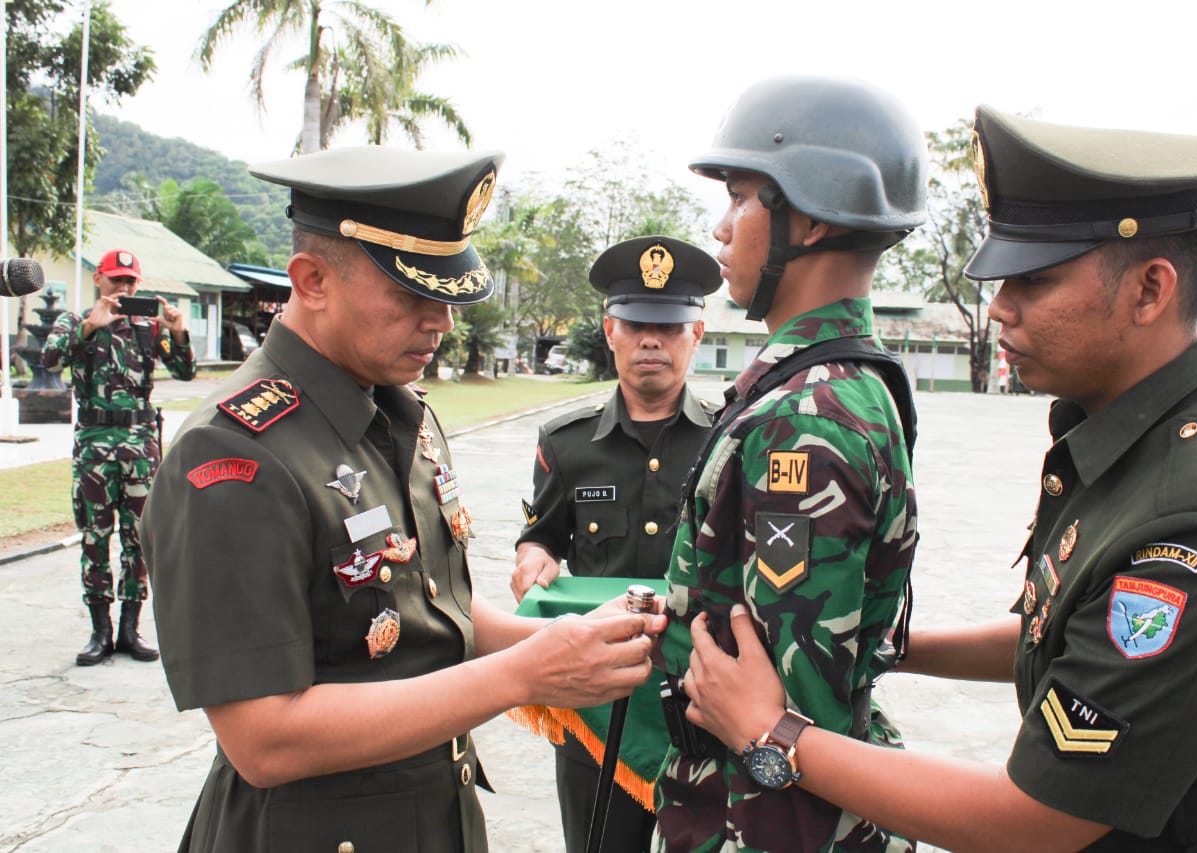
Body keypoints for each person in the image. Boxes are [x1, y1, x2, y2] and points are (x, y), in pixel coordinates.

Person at [680, 106, 1197, 852]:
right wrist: (889, 642)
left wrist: (772, 731)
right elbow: (1059, 629)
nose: (998, 308)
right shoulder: (1142, 429)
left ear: (1149, 289)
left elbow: (1034, 819)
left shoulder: (1196, 519)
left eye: (1033, 280)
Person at [138, 146, 665, 853]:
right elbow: (263, 737)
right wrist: (524, 673)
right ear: (312, 279)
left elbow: (430, 607)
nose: (441, 321)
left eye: (447, 295)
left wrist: (565, 643)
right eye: (412, 295)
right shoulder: (235, 456)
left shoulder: (400, 416)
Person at [651, 76, 926, 853]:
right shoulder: (845, 381)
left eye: (739, 197)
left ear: (808, 213)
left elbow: (792, 728)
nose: (720, 227)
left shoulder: (801, 419)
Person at [511, 235, 720, 853]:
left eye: (668, 325)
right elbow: (542, 537)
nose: (650, 340)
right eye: (635, 325)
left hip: (700, 701)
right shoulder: (567, 442)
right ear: (610, 331)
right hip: (596, 702)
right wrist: (534, 558)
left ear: (697, 334)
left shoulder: (732, 441)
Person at [42, 248, 197, 666]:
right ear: (99, 280)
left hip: (140, 445)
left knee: (139, 539)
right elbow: (50, 359)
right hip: (94, 444)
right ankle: (100, 630)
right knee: (95, 537)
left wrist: (178, 333)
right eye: (116, 280)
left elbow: (185, 373)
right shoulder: (75, 321)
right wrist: (92, 326)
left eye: (130, 281)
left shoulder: (149, 327)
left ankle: (131, 628)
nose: (123, 288)